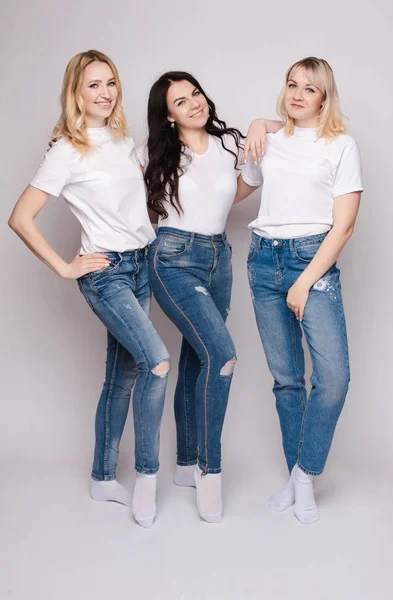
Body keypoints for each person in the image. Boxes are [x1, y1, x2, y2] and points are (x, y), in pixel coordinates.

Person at [8, 50, 170, 529]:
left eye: (110, 83)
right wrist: (65, 266)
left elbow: (144, 202)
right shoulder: (67, 150)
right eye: (93, 85)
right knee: (156, 363)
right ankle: (146, 477)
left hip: (142, 264)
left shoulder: (123, 141)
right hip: (107, 274)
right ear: (75, 94)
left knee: (121, 377)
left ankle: (102, 477)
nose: (104, 93)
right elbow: (20, 217)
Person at [137, 72, 275, 523]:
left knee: (198, 360)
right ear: (168, 115)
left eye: (195, 93)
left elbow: (240, 187)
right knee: (223, 354)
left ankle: (183, 464)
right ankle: (208, 471)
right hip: (173, 258)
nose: (194, 103)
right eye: (181, 100)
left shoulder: (227, 145)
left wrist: (259, 123)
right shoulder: (153, 155)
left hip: (219, 258)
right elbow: (114, 189)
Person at [236, 57, 363, 523]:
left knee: (332, 379)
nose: (297, 94)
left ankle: (306, 473)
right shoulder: (267, 140)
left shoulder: (340, 146)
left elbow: (344, 225)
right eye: (292, 84)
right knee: (287, 379)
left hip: (312, 262)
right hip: (262, 259)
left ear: (324, 98)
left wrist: (305, 281)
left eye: (309, 89)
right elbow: (232, 193)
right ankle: (295, 473)